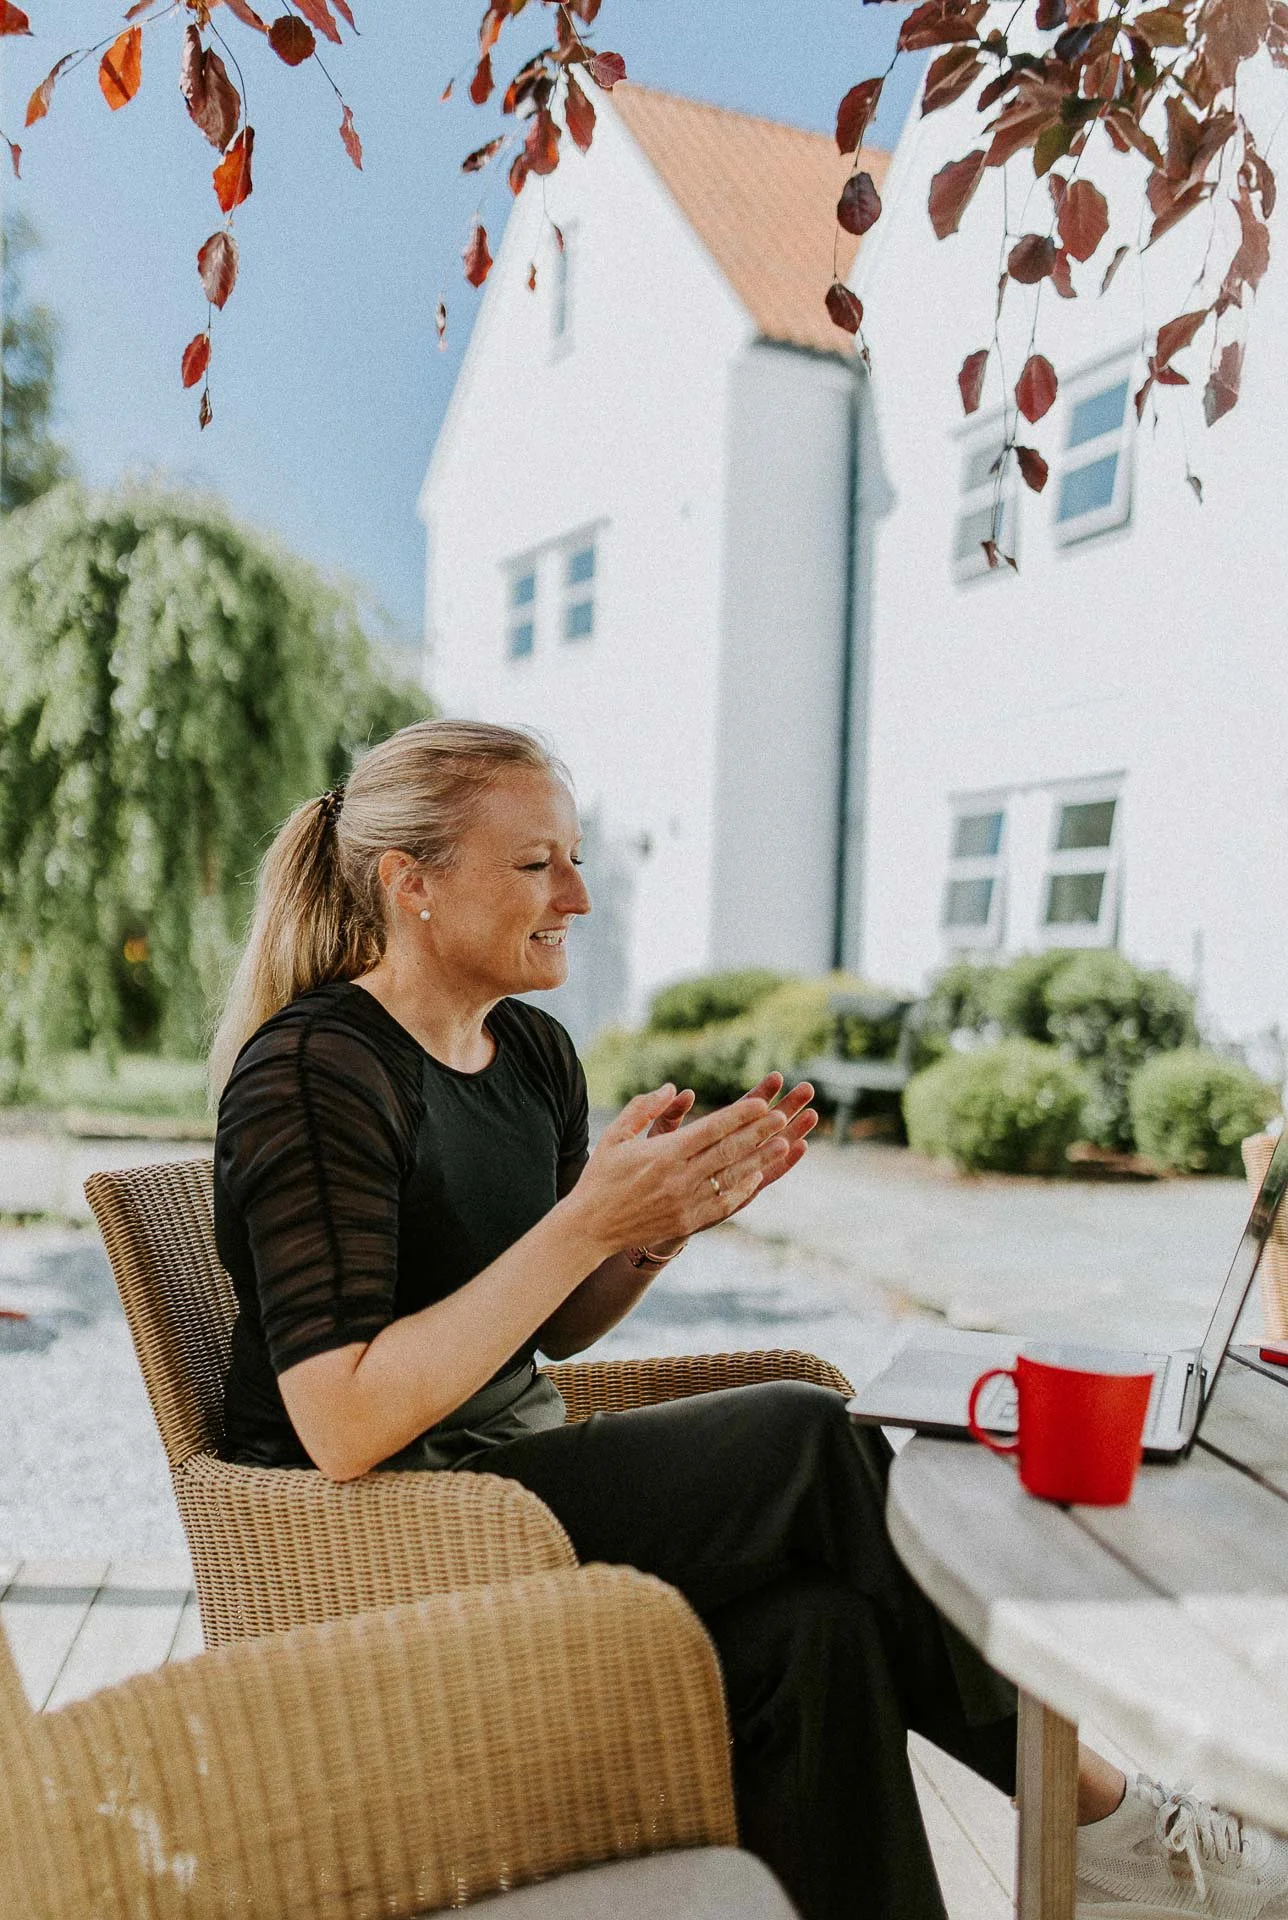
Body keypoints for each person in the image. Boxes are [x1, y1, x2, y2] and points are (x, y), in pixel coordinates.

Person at [210, 719, 1288, 1920]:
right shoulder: (315, 1070)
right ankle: (1123, 1835)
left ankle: (1105, 1843)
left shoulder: (527, 1053)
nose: (575, 893)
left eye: (572, 857)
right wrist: (584, 1221)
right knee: (806, 1432)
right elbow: (341, 1422)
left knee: (819, 1639)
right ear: (411, 884)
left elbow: (550, 1330)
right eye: (534, 865)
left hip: (514, 1484)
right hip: (390, 1533)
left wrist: (656, 1226)